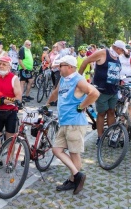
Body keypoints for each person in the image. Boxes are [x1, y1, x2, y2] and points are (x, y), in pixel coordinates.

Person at [44, 55, 99, 194]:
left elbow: (94, 93)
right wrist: (47, 104)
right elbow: (56, 93)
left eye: (61, 66)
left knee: (74, 154)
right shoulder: (63, 79)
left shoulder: (78, 80)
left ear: (69, 67)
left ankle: (73, 180)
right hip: (64, 122)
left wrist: (81, 106)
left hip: (75, 123)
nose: (58, 68)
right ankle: (76, 175)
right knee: (57, 150)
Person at [78, 40, 125, 144]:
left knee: (111, 111)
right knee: (101, 113)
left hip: (113, 90)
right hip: (102, 90)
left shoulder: (117, 56)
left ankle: (111, 135)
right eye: (122, 50)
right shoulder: (103, 53)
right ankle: (100, 137)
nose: (122, 52)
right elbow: (86, 61)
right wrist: (78, 78)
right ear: (117, 48)